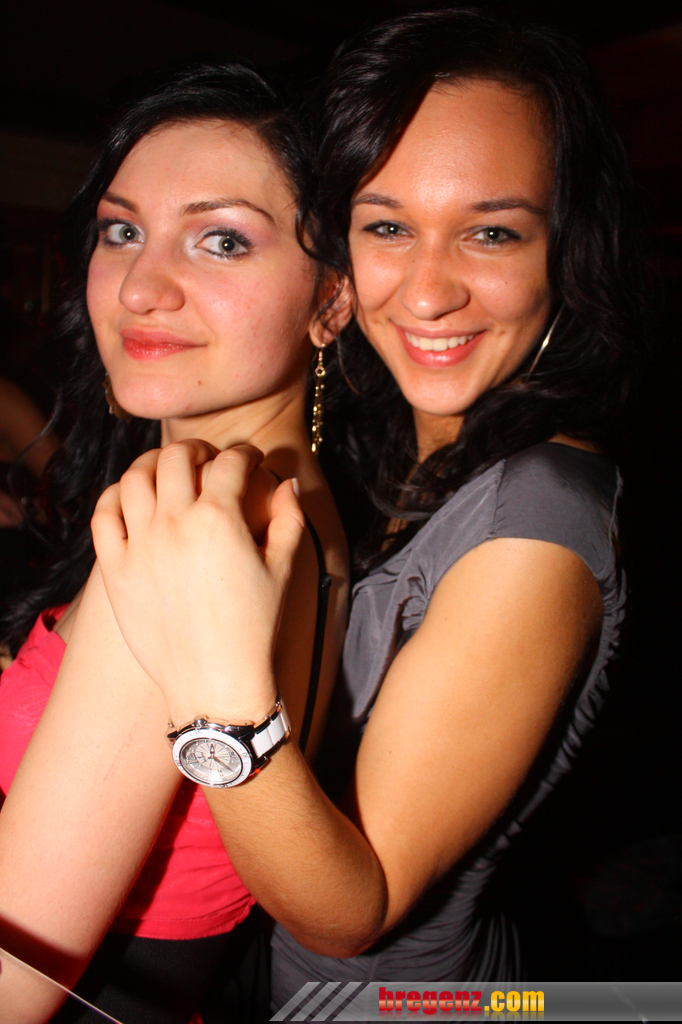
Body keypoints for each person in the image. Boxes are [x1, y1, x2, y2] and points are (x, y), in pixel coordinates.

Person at [75, 5, 645, 1000]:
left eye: (491, 233)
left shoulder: (540, 518)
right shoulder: (385, 450)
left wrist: (215, 683)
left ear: (565, 248)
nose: (425, 293)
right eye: (387, 227)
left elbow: (353, 913)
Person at [0, 63, 347, 1023]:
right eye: (122, 231)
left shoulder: (193, 525)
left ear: (332, 300)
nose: (141, 287)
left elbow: (12, 988)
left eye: (221, 240)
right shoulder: (289, 496)